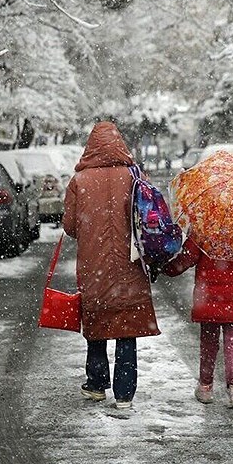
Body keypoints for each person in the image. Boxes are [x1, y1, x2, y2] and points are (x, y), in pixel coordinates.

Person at [62, 121, 160, 409]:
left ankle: (96, 383)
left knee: (97, 320)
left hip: (94, 266)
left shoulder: (79, 181)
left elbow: (70, 226)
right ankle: (125, 392)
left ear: (91, 146)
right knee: (126, 325)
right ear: (120, 143)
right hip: (131, 264)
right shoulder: (134, 176)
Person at [162, 234, 233, 409]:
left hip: (209, 294)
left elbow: (187, 258)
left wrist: (166, 269)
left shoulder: (204, 227)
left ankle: (205, 387)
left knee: (209, 341)